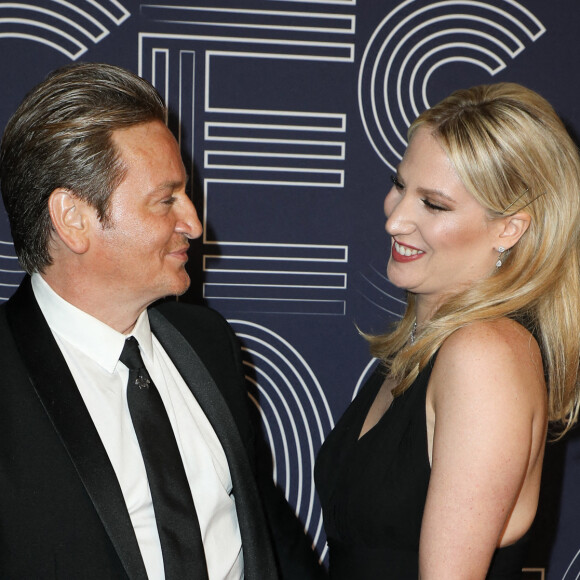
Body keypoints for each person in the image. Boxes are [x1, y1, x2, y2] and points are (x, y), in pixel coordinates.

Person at [0, 63, 325, 579]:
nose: (194, 224)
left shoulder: (208, 344)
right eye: (165, 200)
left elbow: (266, 527)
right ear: (73, 219)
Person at [315, 82, 580, 579]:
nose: (396, 219)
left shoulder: (484, 355)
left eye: (433, 205)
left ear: (509, 228)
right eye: (400, 185)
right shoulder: (425, 346)